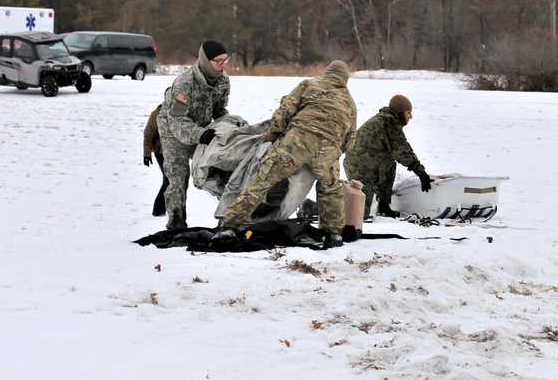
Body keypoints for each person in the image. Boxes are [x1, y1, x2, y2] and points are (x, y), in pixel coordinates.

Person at [219, 60, 357, 248]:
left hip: (297, 141)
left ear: (327, 73)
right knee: (330, 189)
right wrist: (334, 151)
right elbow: (350, 139)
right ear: (345, 78)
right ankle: (333, 234)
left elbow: (286, 109)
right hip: (328, 148)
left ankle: (229, 225)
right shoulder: (349, 101)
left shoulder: (310, 84)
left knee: (261, 180)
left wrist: (275, 131)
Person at [157, 41, 231, 229]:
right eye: (219, 61)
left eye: (226, 60)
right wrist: (201, 134)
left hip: (203, 129)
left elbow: (220, 110)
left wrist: (227, 127)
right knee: (178, 177)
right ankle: (176, 222)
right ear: (206, 61)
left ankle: (229, 217)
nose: (224, 65)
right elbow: (177, 121)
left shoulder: (223, 81)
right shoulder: (185, 83)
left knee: (220, 169)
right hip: (174, 132)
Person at [343, 94, 433, 218]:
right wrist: (421, 173)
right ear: (401, 112)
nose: (411, 116)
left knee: (390, 164)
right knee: (361, 208)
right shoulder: (389, 123)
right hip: (360, 166)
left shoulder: (387, 119)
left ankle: (384, 206)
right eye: (409, 112)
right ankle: (353, 225)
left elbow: (397, 152)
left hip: (371, 161)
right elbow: (402, 151)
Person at [143, 105, 169, 216]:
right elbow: (148, 134)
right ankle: (158, 209)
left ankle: (162, 209)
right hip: (161, 152)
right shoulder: (157, 114)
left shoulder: (179, 111)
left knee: (170, 180)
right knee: (168, 179)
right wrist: (147, 154)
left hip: (174, 152)